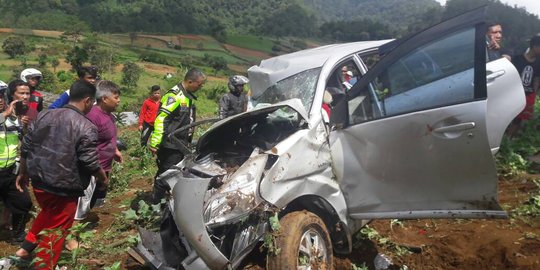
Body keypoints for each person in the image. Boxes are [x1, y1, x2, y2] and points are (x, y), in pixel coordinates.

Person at [6, 80, 108, 270]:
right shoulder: (86, 126)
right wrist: (103, 178)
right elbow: (89, 161)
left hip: (39, 181)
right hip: (64, 187)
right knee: (57, 231)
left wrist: (23, 172)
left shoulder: (45, 115)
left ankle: (25, 249)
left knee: (47, 214)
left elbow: (27, 146)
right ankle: (44, 266)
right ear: (87, 100)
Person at [149, 68, 205, 204]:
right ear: (190, 81)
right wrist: (155, 143)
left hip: (181, 144)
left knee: (174, 173)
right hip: (171, 145)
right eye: (199, 84)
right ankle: (155, 204)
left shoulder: (187, 96)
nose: (201, 87)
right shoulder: (174, 96)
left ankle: (166, 201)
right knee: (166, 175)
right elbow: (161, 119)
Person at [0, 80, 32, 246]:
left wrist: (23, 127)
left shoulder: (13, 118)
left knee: (23, 202)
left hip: (10, 171)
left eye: (0, 95)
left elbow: (23, 142)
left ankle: (18, 236)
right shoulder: (6, 115)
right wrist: (5, 115)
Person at [507, 35, 540, 136]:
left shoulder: (538, 63)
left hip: (528, 96)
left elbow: (536, 80)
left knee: (520, 120)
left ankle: (509, 140)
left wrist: (533, 95)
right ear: (535, 46)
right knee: (509, 118)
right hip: (515, 94)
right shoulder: (517, 59)